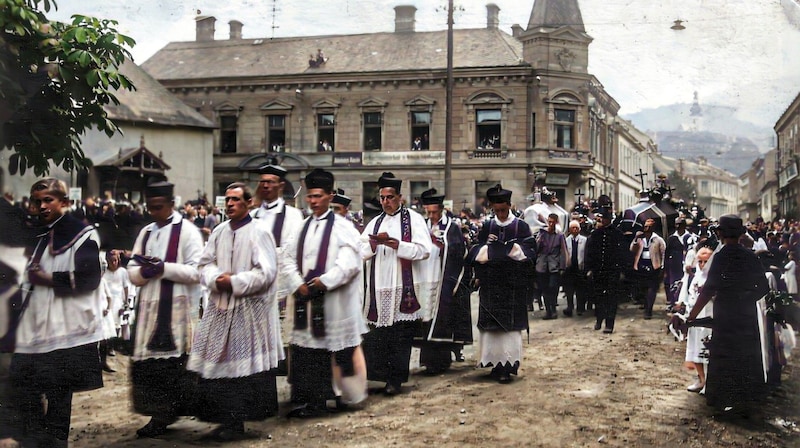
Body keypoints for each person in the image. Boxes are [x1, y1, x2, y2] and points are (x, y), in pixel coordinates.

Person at [10, 178, 104, 447]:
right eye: (36, 201)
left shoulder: (82, 234)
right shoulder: (35, 232)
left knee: (58, 389)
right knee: (23, 383)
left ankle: (55, 441)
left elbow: (89, 279)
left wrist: (48, 279)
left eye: (48, 200)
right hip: (34, 319)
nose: (41, 206)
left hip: (65, 323)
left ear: (65, 202)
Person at [188, 182, 283, 440]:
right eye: (227, 200)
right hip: (220, 307)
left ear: (249, 202)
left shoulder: (259, 232)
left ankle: (236, 422)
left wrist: (235, 281)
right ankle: (223, 419)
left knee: (241, 368)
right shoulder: (219, 231)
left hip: (246, 310)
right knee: (219, 363)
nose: (229, 204)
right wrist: (216, 278)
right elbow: (203, 264)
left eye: (235, 200)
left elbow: (267, 273)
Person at [282, 169, 368, 418]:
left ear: (330, 196)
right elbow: (286, 258)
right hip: (307, 298)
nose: (313, 201)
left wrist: (324, 282)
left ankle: (346, 396)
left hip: (334, 301)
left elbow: (350, 264)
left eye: (318, 196)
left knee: (339, 350)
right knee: (311, 353)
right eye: (309, 197)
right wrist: (296, 282)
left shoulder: (343, 227)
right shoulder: (301, 227)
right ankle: (315, 401)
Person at [127, 181, 204, 438]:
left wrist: (164, 268)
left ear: (172, 204)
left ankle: (171, 413)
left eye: (158, 207)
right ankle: (158, 413)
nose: (153, 212)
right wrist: (143, 272)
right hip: (150, 307)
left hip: (177, 309)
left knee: (175, 364)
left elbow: (197, 272)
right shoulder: (146, 232)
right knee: (150, 366)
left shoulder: (189, 232)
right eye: (149, 207)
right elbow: (131, 271)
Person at [688, 214, 769, 418]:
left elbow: (708, 290)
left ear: (720, 234)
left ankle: (725, 401)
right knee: (745, 355)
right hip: (746, 315)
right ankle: (746, 400)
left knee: (725, 355)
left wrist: (692, 315)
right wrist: (746, 298)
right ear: (741, 234)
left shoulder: (721, 257)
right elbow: (763, 287)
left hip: (725, 314)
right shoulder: (750, 256)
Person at [360, 172, 432, 396]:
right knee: (381, 335)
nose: (385, 202)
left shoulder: (414, 219)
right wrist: (372, 245)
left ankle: (396, 380)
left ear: (400, 197)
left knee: (400, 335)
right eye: (382, 198)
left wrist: (397, 245)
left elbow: (424, 250)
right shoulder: (374, 222)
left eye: (390, 197)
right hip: (380, 286)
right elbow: (359, 251)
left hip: (403, 286)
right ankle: (381, 376)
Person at [470, 184, 535, 383]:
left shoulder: (520, 226)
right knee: (492, 328)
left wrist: (511, 248)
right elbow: (475, 250)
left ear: (510, 206)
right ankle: (493, 363)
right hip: (491, 283)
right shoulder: (488, 226)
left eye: (503, 210)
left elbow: (530, 252)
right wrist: (486, 250)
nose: (500, 213)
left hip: (512, 284)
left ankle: (507, 365)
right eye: (496, 210)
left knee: (509, 327)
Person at [250, 163, 304, 371]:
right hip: (256, 286)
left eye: (270, 182)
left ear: (280, 185)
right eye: (262, 182)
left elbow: (293, 249)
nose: (265, 186)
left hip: (281, 285)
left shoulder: (292, 216)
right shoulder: (253, 216)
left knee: (285, 337)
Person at [415, 188, 472, 374]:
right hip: (424, 276)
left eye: (434, 212)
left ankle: (440, 361)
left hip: (442, 277)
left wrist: (442, 244)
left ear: (441, 210)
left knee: (441, 317)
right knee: (425, 316)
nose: (431, 216)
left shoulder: (451, 227)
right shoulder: (421, 225)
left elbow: (458, 251)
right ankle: (427, 360)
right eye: (428, 212)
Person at [586, 209, 625, 334]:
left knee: (611, 298)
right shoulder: (596, 234)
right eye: (601, 218)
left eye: (605, 218)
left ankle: (609, 324)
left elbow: (622, 253)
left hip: (612, 271)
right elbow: (590, 252)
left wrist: (622, 270)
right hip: (599, 271)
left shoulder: (617, 234)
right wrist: (590, 268)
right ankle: (599, 319)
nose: (602, 220)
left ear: (609, 219)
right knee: (598, 296)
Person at [681, 247, 713, 393]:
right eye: (700, 261)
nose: (702, 265)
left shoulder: (715, 277)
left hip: (709, 318)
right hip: (695, 318)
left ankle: (710, 383)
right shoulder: (697, 277)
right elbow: (690, 295)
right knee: (695, 349)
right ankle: (701, 379)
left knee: (708, 350)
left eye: (706, 262)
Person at [630, 218, 666, 319]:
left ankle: (649, 309)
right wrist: (636, 239)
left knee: (652, 288)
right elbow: (632, 249)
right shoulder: (640, 238)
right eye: (645, 226)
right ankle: (646, 304)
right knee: (643, 287)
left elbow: (663, 253)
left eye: (649, 226)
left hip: (653, 265)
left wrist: (662, 267)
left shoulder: (658, 239)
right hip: (641, 264)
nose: (646, 228)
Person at [536, 213, 567, 320]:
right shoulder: (542, 233)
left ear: (556, 222)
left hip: (554, 265)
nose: (550, 224)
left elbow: (563, 251)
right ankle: (548, 310)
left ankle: (553, 309)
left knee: (553, 288)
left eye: (553, 222)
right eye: (549, 221)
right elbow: (537, 249)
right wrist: (539, 239)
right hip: (542, 265)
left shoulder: (559, 235)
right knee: (544, 289)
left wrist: (562, 267)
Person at [664, 218, 694, 307]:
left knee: (685, 284)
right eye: (676, 224)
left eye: (680, 224)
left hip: (686, 264)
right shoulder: (672, 238)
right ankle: (674, 304)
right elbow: (667, 253)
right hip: (674, 265)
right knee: (674, 284)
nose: (678, 226)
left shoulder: (690, 237)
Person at [563, 220, 589, 316]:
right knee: (569, 289)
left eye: (576, 228)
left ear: (579, 229)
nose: (574, 230)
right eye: (573, 228)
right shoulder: (566, 240)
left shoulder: (584, 240)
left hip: (580, 268)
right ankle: (570, 307)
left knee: (580, 289)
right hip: (569, 269)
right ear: (569, 230)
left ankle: (580, 308)